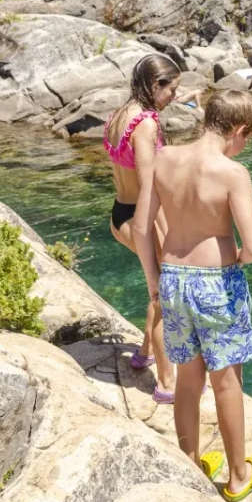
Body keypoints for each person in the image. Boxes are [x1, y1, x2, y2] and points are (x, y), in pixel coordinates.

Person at [134, 90, 252, 502]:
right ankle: (237, 476)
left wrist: (153, 280)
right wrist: (235, 259)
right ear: (238, 129)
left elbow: (144, 228)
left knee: (188, 377)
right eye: (247, 139)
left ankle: (190, 462)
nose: (244, 147)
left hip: (173, 278)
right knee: (228, 382)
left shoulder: (164, 159)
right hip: (217, 282)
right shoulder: (232, 173)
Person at [103, 54, 181, 403]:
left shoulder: (119, 115)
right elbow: (150, 187)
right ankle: (167, 384)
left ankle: (144, 353)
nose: (174, 97)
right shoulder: (147, 124)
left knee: (159, 286)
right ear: (154, 85)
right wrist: (158, 231)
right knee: (165, 294)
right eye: (171, 89)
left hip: (120, 211)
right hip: (142, 217)